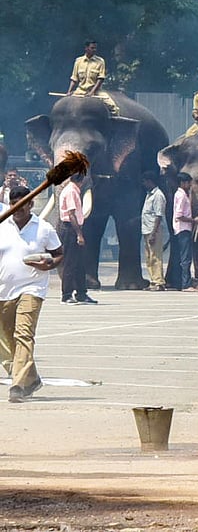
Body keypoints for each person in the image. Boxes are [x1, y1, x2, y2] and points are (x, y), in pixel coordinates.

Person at [0, 185, 64, 402]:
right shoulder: (2, 225)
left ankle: (17, 385)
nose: (16, 208)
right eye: (12, 204)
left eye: (21, 204)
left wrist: (49, 264)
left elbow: (58, 253)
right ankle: (32, 378)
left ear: (30, 204)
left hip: (32, 288)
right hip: (3, 291)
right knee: (7, 339)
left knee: (23, 335)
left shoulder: (43, 228)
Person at [57, 172, 95, 305]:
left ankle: (81, 293)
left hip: (74, 228)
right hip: (70, 229)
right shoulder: (71, 191)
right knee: (70, 263)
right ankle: (66, 295)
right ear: (81, 179)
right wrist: (79, 234)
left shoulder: (73, 190)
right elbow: (71, 214)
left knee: (79, 263)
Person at [65, 40, 119, 115]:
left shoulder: (100, 61)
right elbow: (74, 78)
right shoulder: (78, 61)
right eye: (92, 48)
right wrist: (69, 91)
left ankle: (115, 122)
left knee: (112, 107)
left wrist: (92, 92)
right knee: (65, 105)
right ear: (86, 48)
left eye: (95, 48)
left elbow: (100, 79)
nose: (94, 50)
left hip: (96, 91)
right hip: (80, 91)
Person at [171, 172, 198, 291]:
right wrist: (193, 220)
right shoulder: (182, 196)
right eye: (189, 182)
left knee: (183, 256)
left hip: (181, 228)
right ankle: (186, 284)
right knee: (185, 257)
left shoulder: (180, 194)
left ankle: (182, 282)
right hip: (183, 228)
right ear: (183, 183)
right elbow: (179, 215)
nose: (190, 185)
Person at [140, 171, 168, 292]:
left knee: (156, 256)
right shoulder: (149, 194)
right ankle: (153, 281)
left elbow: (158, 216)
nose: (144, 184)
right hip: (146, 229)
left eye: (145, 181)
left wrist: (153, 233)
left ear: (150, 181)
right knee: (149, 257)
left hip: (153, 230)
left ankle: (159, 282)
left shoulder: (158, 195)